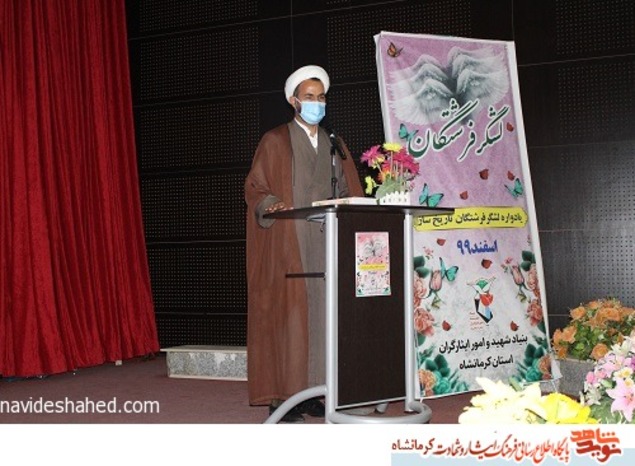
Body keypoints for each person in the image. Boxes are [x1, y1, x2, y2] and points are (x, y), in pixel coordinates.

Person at [244, 65, 363, 422]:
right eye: (309, 97)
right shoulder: (275, 140)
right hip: (290, 245)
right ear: (293, 101)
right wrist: (271, 204)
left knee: (324, 320)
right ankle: (283, 399)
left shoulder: (334, 144)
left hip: (326, 243)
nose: (316, 103)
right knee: (291, 321)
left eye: (321, 97)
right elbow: (256, 187)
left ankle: (315, 393)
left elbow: (349, 190)